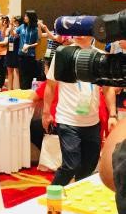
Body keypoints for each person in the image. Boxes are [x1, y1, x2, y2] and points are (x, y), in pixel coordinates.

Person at [45, 34, 111, 187]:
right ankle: (52, 195)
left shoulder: (100, 56)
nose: (80, 34)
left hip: (92, 122)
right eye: (77, 30)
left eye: (84, 30)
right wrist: (46, 112)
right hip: (67, 120)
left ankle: (75, 196)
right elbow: (50, 85)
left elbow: (108, 89)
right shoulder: (62, 54)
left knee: (88, 166)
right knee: (71, 165)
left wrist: (113, 114)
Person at [16, 11, 42, 90]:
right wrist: (10, 27)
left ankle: (28, 91)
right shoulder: (22, 26)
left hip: (30, 55)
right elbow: (14, 34)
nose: (25, 17)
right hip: (21, 54)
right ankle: (22, 90)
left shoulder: (35, 29)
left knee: (29, 75)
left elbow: (38, 41)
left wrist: (29, 46)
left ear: (31, 17)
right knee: (22, 74)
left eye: (26, 16)